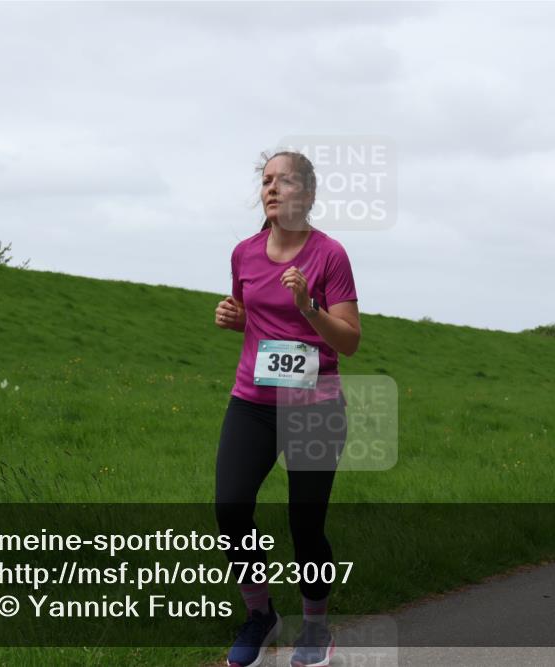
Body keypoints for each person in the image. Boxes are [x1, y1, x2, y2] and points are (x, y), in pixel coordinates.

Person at [214, 150, 361, 667]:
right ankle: (261, 616)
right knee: (230, 510)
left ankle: (316, 629)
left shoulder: (330, 255)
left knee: (305, 521)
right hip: (252, 403)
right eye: (266, 181)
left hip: (314, 407)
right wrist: (233, 317)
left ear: (309, 194)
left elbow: (349, 342)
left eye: (284, 181)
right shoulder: (244, 254)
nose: (271, 189)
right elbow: (256, 323)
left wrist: (308, 308)